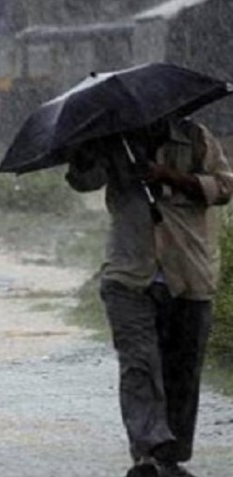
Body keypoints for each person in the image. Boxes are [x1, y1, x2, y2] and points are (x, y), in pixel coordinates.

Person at [65, 116, 233, 477]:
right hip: (129, 274)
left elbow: (224, 187)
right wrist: (82, 153)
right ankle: (148, 453)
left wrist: (171, 177)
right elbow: (83, 181)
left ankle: (170, 456)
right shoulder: (114, 139)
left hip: (189, 271)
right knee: (139, 365)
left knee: (182, 371)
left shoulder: (195, 137)